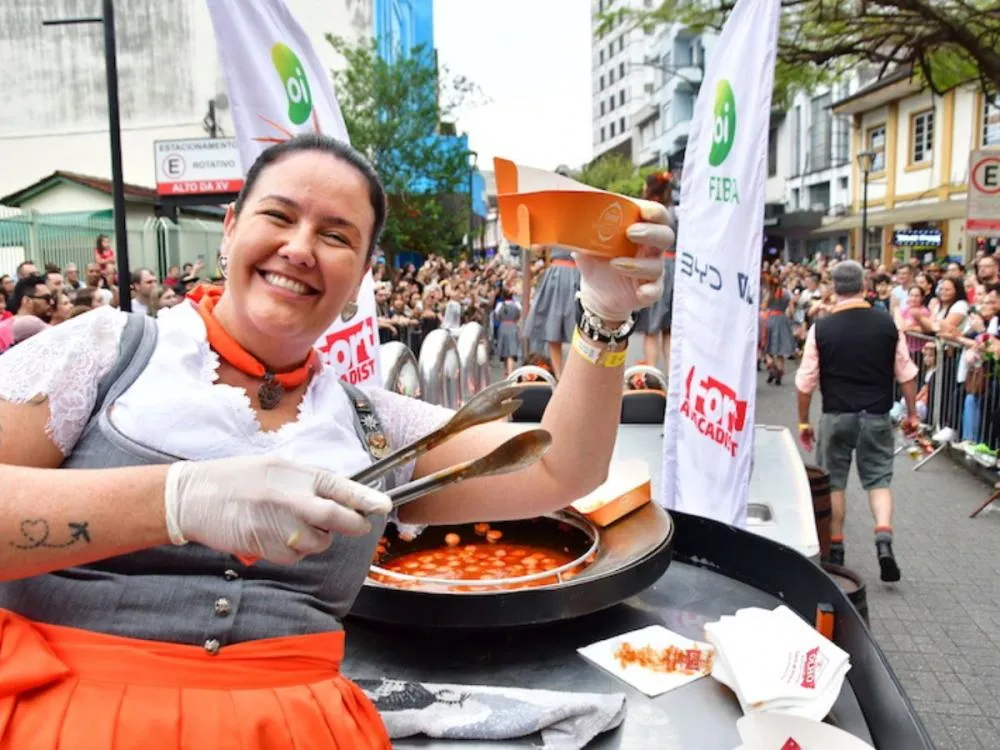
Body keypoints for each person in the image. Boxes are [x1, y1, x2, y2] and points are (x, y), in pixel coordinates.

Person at [0, 133, 672, 748]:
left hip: (297, 732)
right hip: (68, 718)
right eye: (279, 216)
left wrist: (605, 313)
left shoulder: (369, 425)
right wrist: (178, 498)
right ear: (230, 230)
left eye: (336, 235)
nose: (300, 247)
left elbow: (561, 467)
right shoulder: (106, 352)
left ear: (361, 276)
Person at [795, 261, 919, 582]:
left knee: (835, 482)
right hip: (877, 415)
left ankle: (836, 549)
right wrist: (913, 414)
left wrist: (803, 422)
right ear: (864, 285)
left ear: (834, 287)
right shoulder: (889, 325)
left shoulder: (821, 328)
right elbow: (906, 375)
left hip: (836, 415)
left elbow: (805, 382)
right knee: (878, 481)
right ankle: (883, 539)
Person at [633, 171, 678, 373]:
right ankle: (672, 379)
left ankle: (651, 375)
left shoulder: (650, 213)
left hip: (656, 266)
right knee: (669, 331)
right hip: (677, 270)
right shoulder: (677, 213)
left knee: (651, 330)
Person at [521, 244, 581, 377]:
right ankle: (568, 375)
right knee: (574, 331)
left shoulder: (551, 224)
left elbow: (537, 248)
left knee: (554, 330)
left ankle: (561, 376)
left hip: (559, 273)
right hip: (577, 273)